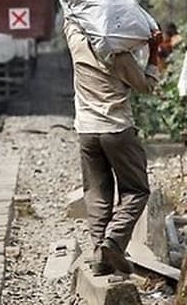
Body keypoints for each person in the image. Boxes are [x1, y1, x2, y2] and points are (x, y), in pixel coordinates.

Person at [64, 19, 159, 275]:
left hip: (86, 131)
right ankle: (114, 241)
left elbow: (71, 18)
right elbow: (146, 86)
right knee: (137, 190)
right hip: (117, 130)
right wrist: (154, 53)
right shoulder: (119, 55)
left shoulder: (77, 43)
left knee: (96, 195)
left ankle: (100, 259)